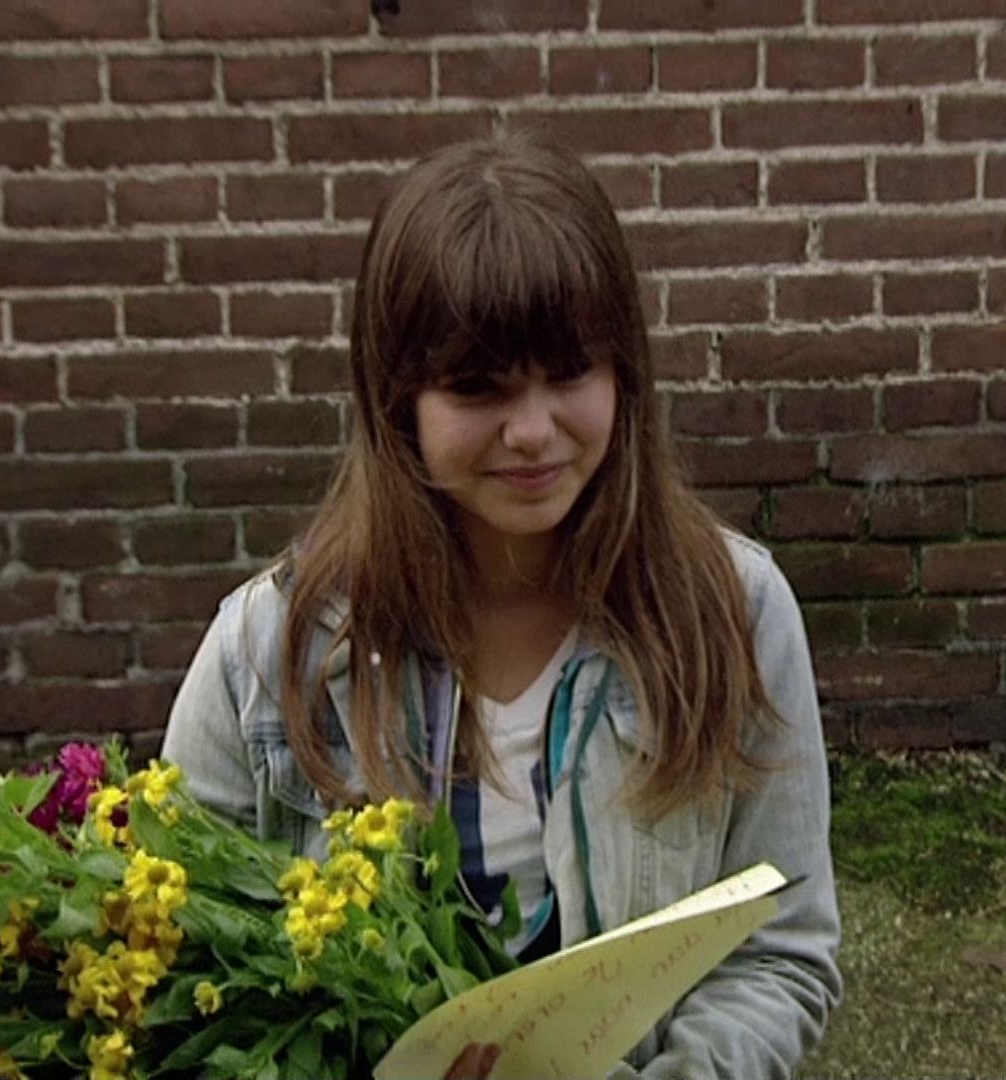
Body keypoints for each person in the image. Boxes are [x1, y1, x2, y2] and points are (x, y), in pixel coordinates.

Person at [159, 130, 841, 1079]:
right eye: (479, 387)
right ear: (398, 401)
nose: (532, 430)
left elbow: (780, 953)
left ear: (624, 371)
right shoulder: (266, 653)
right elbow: (176, 972)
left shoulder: (734, 613)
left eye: (570, 373)